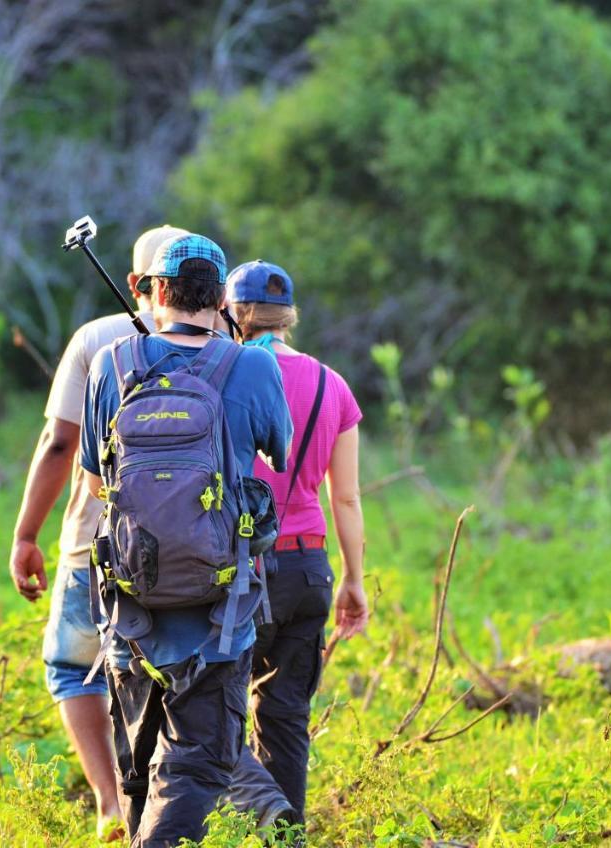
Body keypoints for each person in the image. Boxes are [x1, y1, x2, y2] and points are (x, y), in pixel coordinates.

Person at [80, 235, 292, 847]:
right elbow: (275, 452)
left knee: (137, 770)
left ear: (157, 291)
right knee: (198, 763)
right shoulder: (252, 364)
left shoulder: (113, 362)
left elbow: (97, 481)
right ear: (221, 297)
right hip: (220, 608)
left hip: (130, 606)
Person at [9, 224, 186, 839]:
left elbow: (60, 442)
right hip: (198, 551)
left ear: (137, 283)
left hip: (99, 544)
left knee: (70, 664)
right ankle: (167, 805)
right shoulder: (225, 341)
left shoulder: (97, 338)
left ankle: (112, 805)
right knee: (178, 670)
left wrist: (26, 533)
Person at [224, 260, 369, 827]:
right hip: (309, 568)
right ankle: (286, 833)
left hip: (241, 568)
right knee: (285, 717)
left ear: (234, 315)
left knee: (214, 714)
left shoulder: (227, 372)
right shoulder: (334, 384)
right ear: (289, 318)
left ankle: (261, 815)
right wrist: (353, 583)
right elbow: (348, 499)